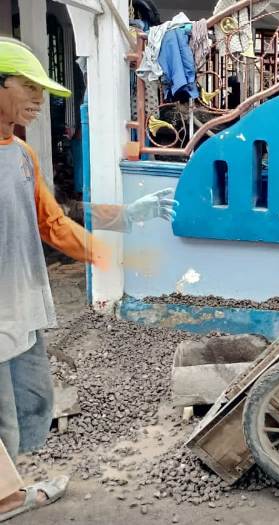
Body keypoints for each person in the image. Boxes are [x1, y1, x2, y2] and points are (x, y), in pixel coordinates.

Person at [0, 37, 175, 522]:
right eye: (28, 88)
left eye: (42, 90)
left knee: (32, 404)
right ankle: (8, 499)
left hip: (23, 304)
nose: (39, 100)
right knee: (3, 419)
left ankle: (10, 485)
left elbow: (53, 222)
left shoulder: (20, 157)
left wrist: (123, 228)